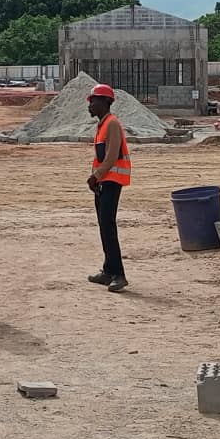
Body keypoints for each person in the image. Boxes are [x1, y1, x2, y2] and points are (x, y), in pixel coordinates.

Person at [86, 83, 131, 293]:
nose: (90, 105)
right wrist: (96, 179)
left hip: (111, 181)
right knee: (104, 226)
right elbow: (101, 157)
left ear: (105, 102)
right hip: (104, 181)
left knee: (108, 226)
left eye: (93, 101)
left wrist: (96, 176)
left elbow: (112, 156)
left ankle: (119, 274)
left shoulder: (112, 124)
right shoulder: (103, 125)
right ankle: (108, 270)